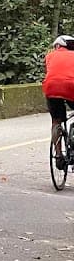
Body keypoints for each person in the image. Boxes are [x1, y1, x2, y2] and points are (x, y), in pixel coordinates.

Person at [42, 34, 74, 169]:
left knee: (56, 120)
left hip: (51, 88)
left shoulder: (49, 56)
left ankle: (58, 154)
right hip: (71, 86)